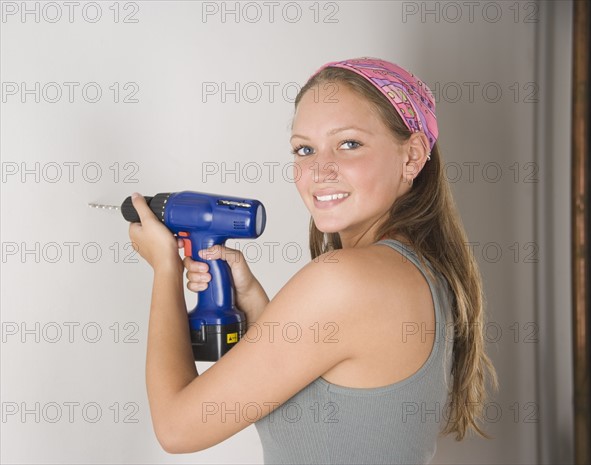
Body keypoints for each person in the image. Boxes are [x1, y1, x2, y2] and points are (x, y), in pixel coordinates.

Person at [128, 57, 498, 464]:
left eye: (349, 144)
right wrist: (252, 301)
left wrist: (165, 268)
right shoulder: (420, 271)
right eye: (304, 149)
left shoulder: (347, 280)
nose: (319, 170)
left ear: (411, 157)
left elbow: (176, 427)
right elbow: (329, 403)